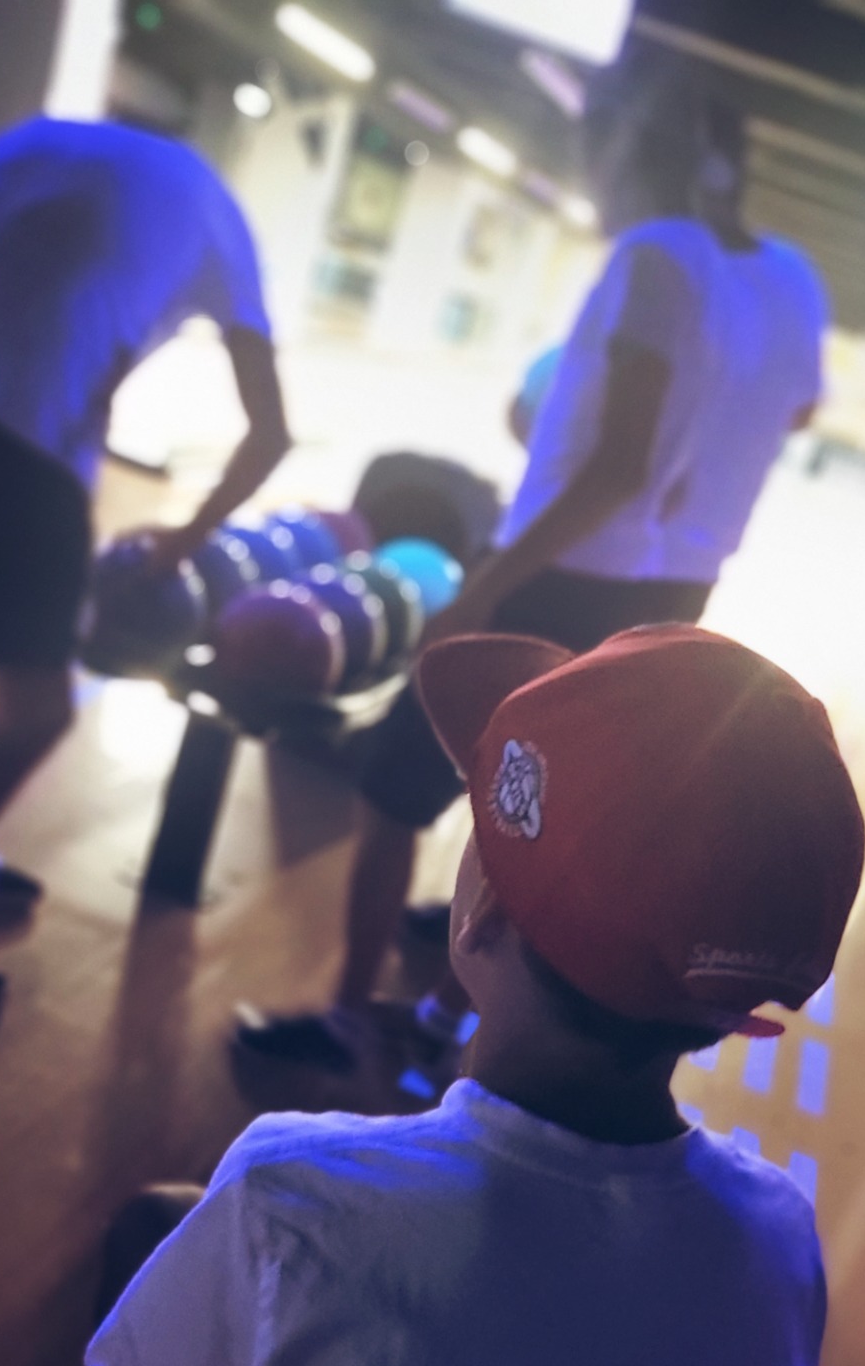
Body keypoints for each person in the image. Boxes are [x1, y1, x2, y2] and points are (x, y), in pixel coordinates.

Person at [84, 624, 865, 1366]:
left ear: (483, 906)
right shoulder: (782, 1245)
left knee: (149, 1275)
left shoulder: (299, 1190)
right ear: (728, 1012)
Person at [235, 63, 827, 1075]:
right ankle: (443, 1017)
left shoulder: (657, 253)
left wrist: (486, 585)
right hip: (675, 590)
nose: (597, 176)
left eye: (602, 152)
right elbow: (796, 409)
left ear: (640, 152)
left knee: (393, 789)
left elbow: (620, 467)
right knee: (554, 816)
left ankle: (349, 1020)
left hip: (564, 577)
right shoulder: (789, 279)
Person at [0, 116, 289, 1002]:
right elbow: (269, 435)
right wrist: (178, 545)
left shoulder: (31, 145)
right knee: (35, 713)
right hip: (15, 429)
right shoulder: (219, 217)